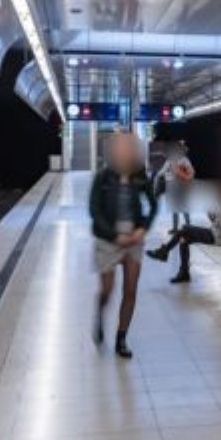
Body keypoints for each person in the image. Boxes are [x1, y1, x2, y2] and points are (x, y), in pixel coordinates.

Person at [89, 132, 156, 358]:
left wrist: (143, 228)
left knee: (130, 291)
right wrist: (114, 236)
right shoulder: (103, 177)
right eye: (122, 148)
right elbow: (94, 211)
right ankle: (100, 313)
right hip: (108, 240)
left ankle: (121, 338)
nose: (127, 152)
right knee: (107, 290)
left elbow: (153, 205)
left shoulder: (140, 176)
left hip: (134, 240)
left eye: (130, 148)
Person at [147, 180, 221, 283]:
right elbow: (217, 220)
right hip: (214, 233)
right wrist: (212, 214)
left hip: (219, 238)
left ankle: (165, 252)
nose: (218, 194)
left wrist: (216, 220)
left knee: (185, 229)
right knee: (184, 238)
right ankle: (182, 271)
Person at [158, 142, 195, 232]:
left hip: (176, 186)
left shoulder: (176, 160)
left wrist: (162, 175)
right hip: (179, 186)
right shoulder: (182, 160)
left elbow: (162, 172)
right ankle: (186, 226)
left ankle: (179, 227)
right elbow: (191, 172)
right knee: (180, 206)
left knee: (177, 207)